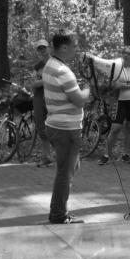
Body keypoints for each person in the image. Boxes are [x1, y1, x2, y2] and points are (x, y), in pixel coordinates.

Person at [43, 32, 91, 224]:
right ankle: (58, 215)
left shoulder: (51, 65)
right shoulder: (62, 70)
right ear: (63, 47)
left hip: (55, 126)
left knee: (71, 166)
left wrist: (76, 87)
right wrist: (87, 88)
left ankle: (58, 210)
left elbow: (65, 91)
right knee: (65, 172)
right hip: (66, 129)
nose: (76, 49)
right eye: (74, 46)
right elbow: (79, 100)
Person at [87, 45, 130, 165]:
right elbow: (116, 85)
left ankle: (126, 154)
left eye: (128, 53)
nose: (125, 55)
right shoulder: (117, 67)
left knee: (129, 127)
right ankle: (106, 155)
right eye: (124, 52)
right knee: (115, 128)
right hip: (120, 101)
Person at [30, 39, 54, 166]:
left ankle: (63, 154)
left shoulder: (55, 63)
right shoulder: (37, 66)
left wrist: (41, 80)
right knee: (41, 128)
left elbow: (60, 79)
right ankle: (47, 156)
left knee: (55, 126)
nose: (42, 50)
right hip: (39, 98)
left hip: (54, 97)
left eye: (44, 47)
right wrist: (47, 79)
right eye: (39, 48)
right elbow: (33, 84)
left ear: (49, 48)